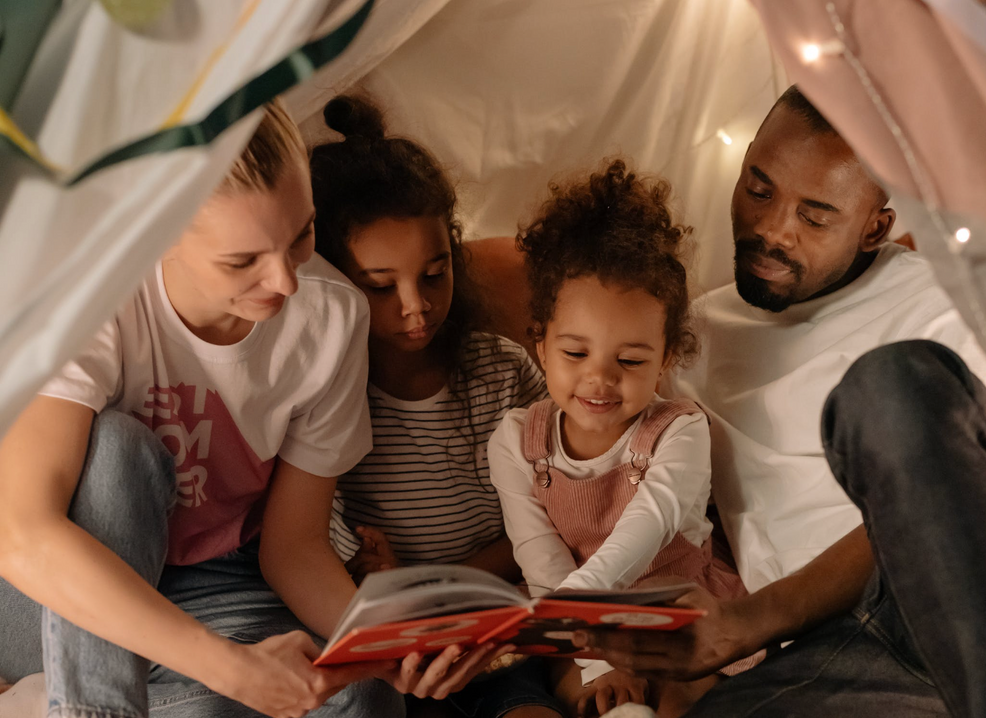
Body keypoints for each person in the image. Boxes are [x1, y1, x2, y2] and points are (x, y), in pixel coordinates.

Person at [573, 86, 986, 717]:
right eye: (758, 190)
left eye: (814, 216)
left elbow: (981, 495)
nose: (771, 230)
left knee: (887, 387)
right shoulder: (688, 339)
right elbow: (597, 479)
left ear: (876, 228)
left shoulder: (939, 299)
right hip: (861, 646)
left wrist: (748, 621)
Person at [0, 100, 502, 718]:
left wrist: (387, 649)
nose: (286, 283)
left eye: (301, 237)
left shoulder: (330, 316)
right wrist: (228, 668)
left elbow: (292, 546)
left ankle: (61, 699)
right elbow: (21, 534)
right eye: (243, 261)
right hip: (51, 588)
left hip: (219, 579)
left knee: (361, 697)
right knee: (117, 448)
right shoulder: (94, 298)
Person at [308, 95, 559, 718]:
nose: (415, 306)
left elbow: (552, 517)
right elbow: (327, 559)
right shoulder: (330, 401)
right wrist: (385, 583)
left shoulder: (501, 371)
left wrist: (447, 584)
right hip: (402, 657)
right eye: (380, 286)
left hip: (498, 643)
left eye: (434, 273)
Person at [487, 159, 753, 718]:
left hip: (675, 616)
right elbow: (540, 560)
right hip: (575, 632)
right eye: (575, 353)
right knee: (596, 702)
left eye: (630, 359)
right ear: (540, 345)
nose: (600, 379)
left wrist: (578, 606)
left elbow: (647, 526)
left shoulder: (679, 431)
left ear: (666, 359)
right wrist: (596, 661)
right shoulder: (516, 441)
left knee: (683, 700)